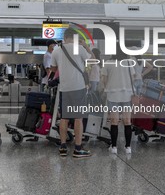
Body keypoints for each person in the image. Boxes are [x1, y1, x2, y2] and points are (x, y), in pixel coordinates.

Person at [51, 28, 94, 158]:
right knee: (78, 118)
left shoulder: (56, 50)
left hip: (64, 88)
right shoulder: (79, 49)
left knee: (64, 118)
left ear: (64, 37)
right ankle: (78, 148)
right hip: (78, 87)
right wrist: (86, 46)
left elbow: (53, 68)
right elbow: (92, 60)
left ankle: (63, 147)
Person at [101, 47, 135, 154]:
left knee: (114, 121)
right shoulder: (129, 62)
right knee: (127, 121)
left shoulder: (107, 63)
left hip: (113, 95)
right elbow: (133, 78)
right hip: (127, 95)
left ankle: (114, 147)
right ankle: (128, 147)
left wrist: (109, 88)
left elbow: (104, 80)